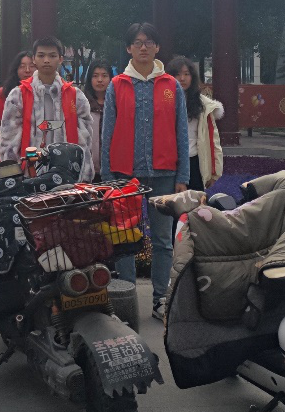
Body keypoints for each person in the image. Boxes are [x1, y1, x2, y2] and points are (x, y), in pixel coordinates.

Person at [100, 22, 189, 316]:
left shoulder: (171, 86)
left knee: (163, 240)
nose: (143, 47)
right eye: (137, 42)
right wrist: (107, 176)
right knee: (125, 239)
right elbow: (107, 132)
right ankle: (126, 300)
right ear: (128, 48)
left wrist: (182, 176)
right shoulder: (117, 85)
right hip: (125, 175)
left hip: (164, 175)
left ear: (157, 47)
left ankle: (160, 299)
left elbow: (181, 132)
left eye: (149, 42)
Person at [0, 37, 94, 181]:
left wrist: (84, 176)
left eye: (52, 56)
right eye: (41, 55)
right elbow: (8, 142)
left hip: (68, 177)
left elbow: (85, 142)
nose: (47, 60)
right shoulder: (18, 95)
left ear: (60, 59)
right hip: (29, 177)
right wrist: (11, 179)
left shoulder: (76, 97)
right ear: (34, 59)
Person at [167, 56, 223, 191]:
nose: (182, 78)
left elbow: (213, 139)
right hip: (170, 161)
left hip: (195, 160)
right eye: (177, 74)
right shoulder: (164, 102)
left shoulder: (203, 105)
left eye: (186, 74)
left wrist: (214, 172)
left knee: (195, 202)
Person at [0, 52, 35, 153]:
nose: (27, 70)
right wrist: (6, 142)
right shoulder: (2, 96)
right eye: (22, 66)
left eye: (32, 66)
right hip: (9, 155)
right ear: (16, 70)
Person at [85, 63, 112, 181]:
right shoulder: (82, 103)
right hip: (87, 169)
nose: (100, 80)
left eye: (104, 75)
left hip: (112, 169)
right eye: (95, 76)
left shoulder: (116, 103)